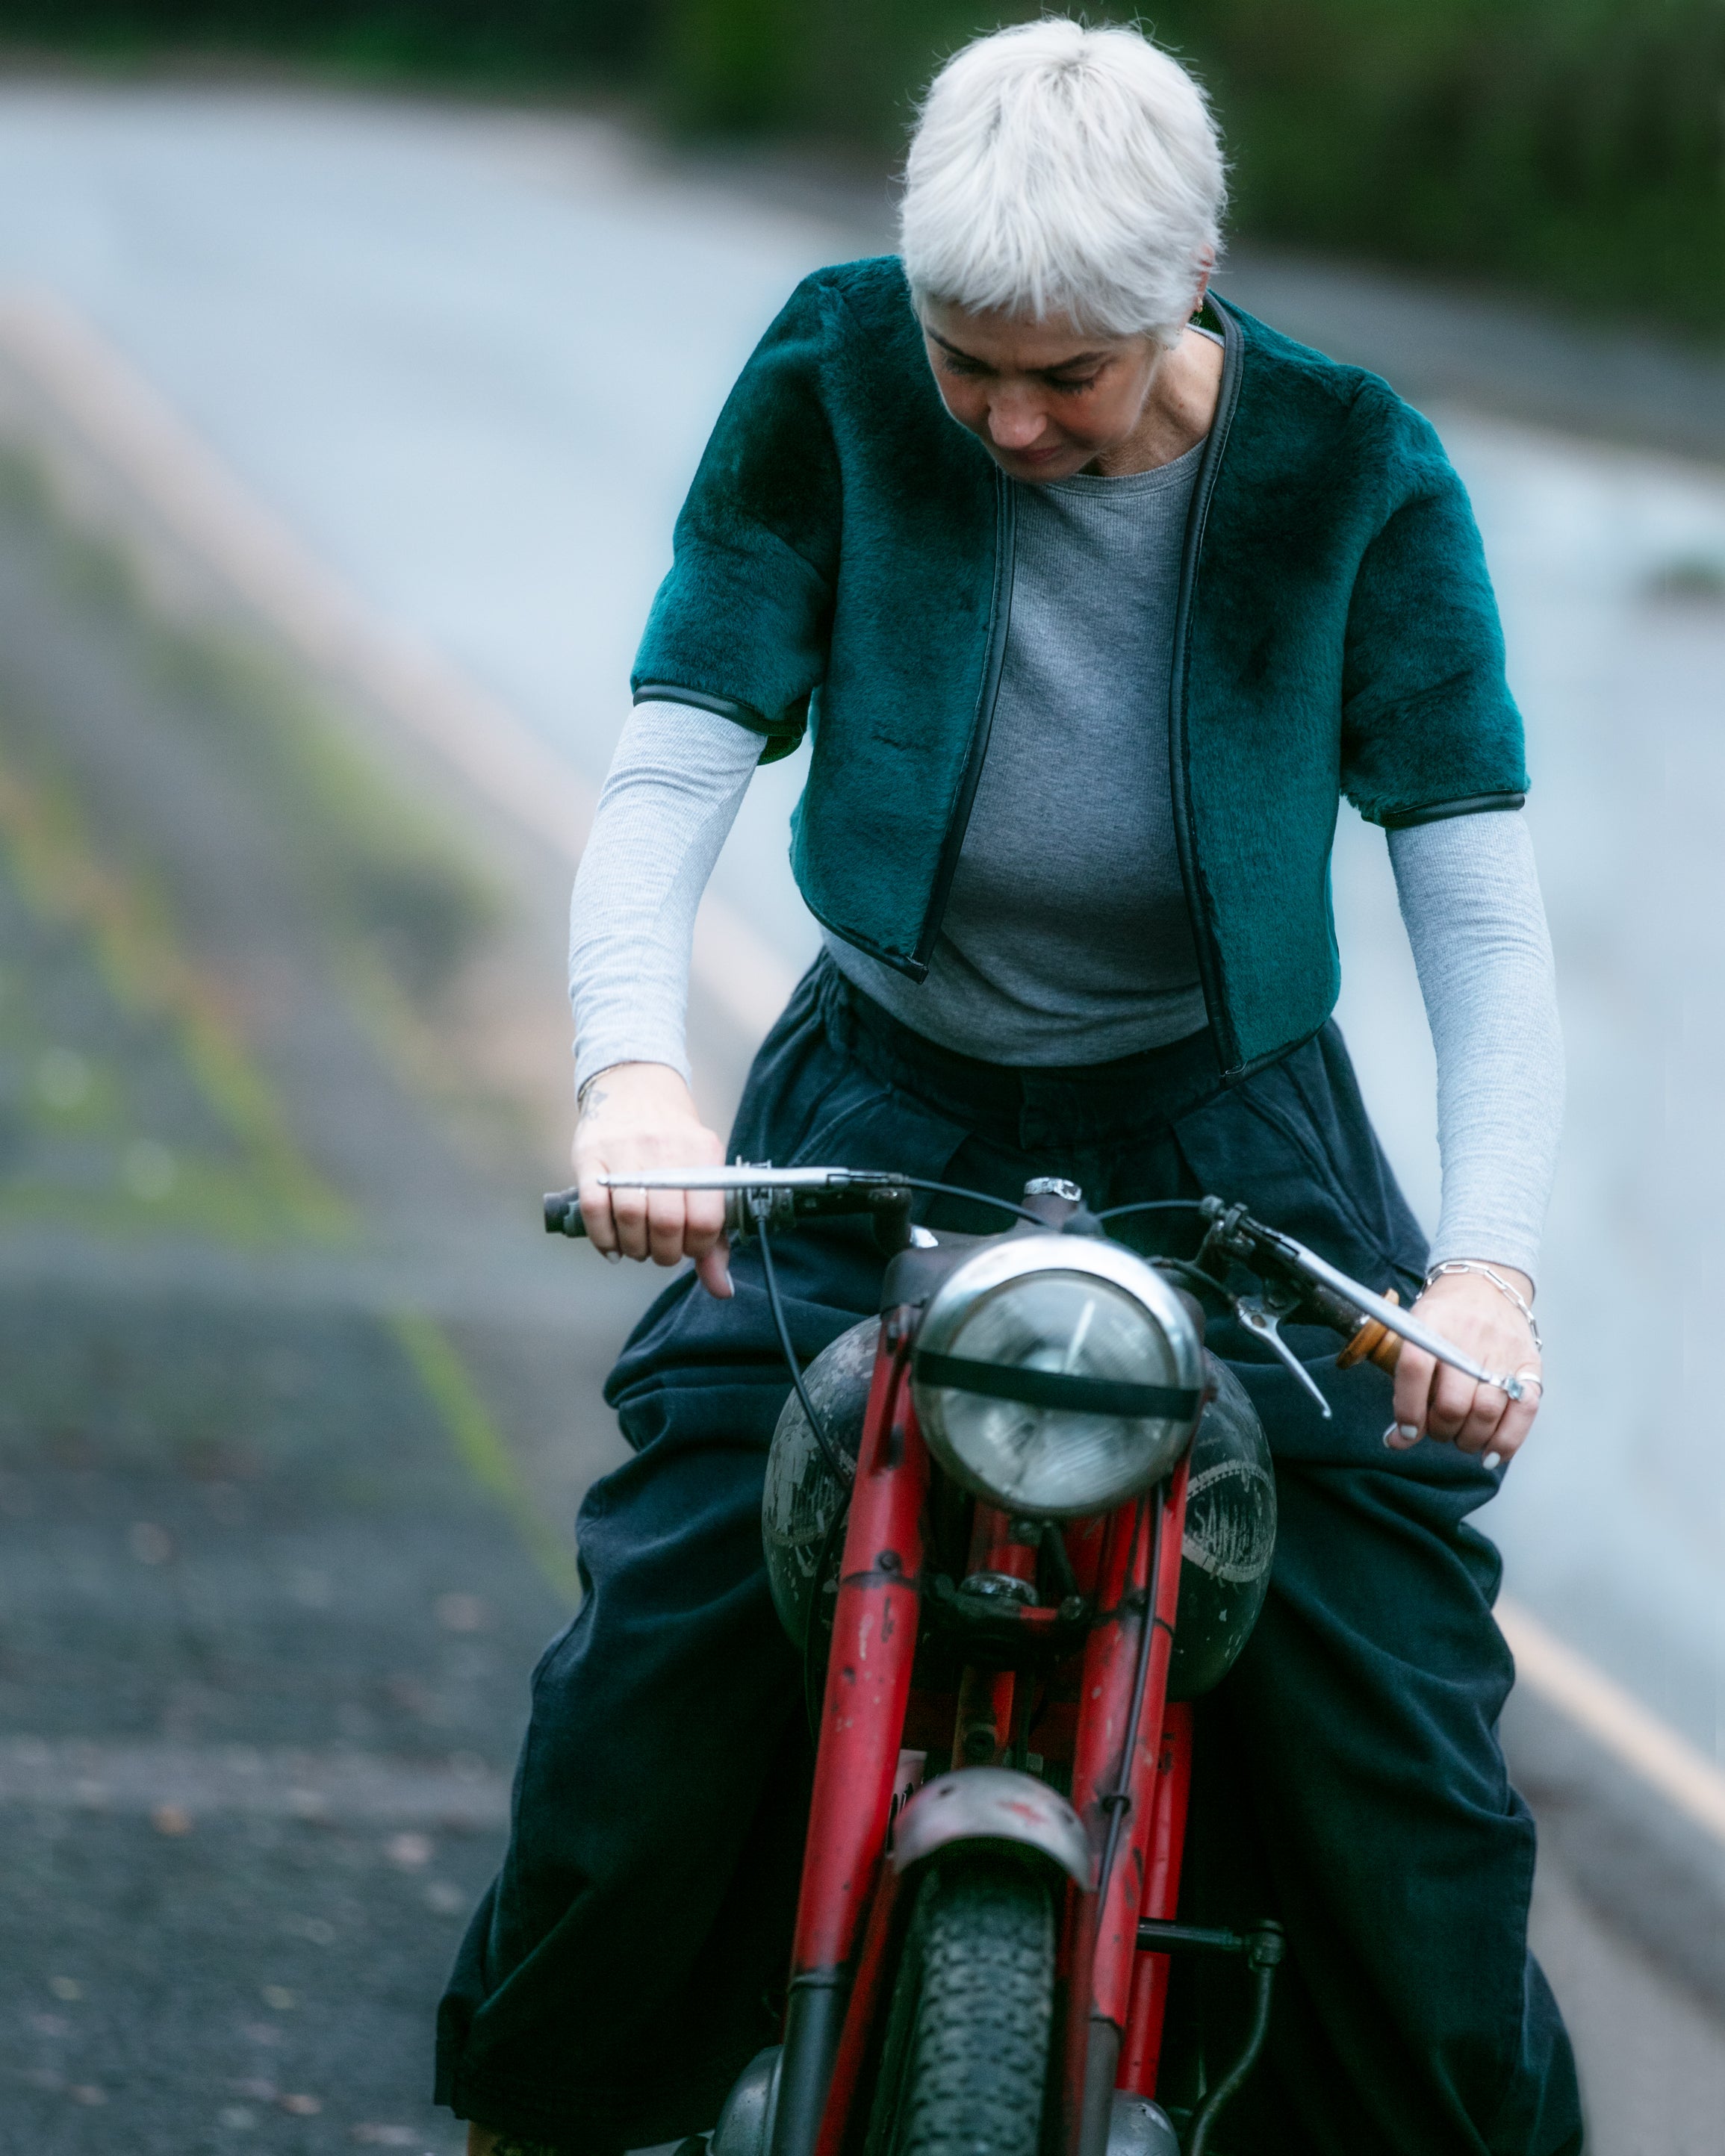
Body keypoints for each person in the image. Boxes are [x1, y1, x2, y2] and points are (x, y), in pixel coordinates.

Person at [438, 22, 1578, 2155]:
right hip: (880, 1104)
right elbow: (679, 750)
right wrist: (630, 1087)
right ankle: (551, 2116)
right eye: (975, 360)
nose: (1013, 418)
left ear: (1199, 278)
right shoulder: (840, 371)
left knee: (1405, 1768)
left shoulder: (1357, 474)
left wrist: (1492, 1274)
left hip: (1237, 1134)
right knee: (649, 1684)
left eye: (1074, 372)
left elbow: (1483, 924)